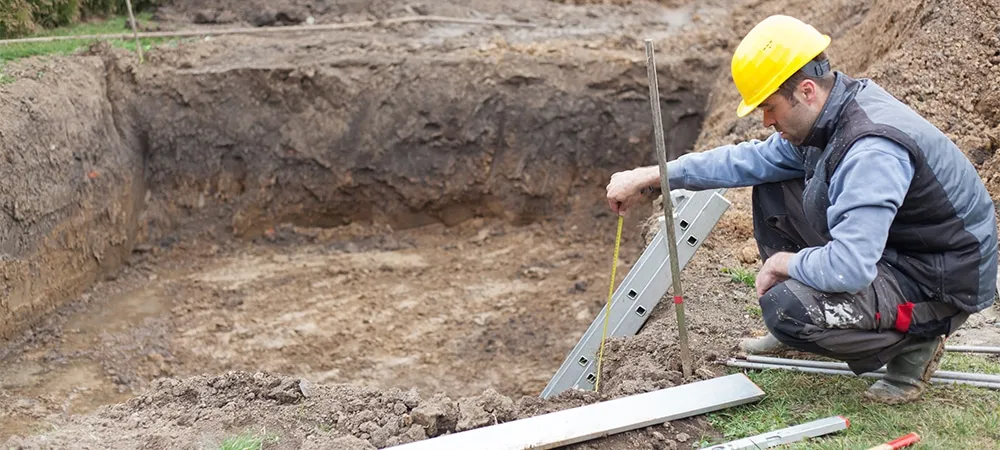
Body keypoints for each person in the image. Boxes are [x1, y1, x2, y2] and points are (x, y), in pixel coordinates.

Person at [606, 14, 998, 404]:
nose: (766, 120)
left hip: (938, 279)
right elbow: (747, 161)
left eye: (770, 107)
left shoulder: (869, 150)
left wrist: (783, 263)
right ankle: (828, 310)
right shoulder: (831, 115)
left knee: (788, 309)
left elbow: (850, 265)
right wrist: (655, 175)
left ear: (806, 91)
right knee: (771, 181)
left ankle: (916, 343)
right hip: (900, 247)